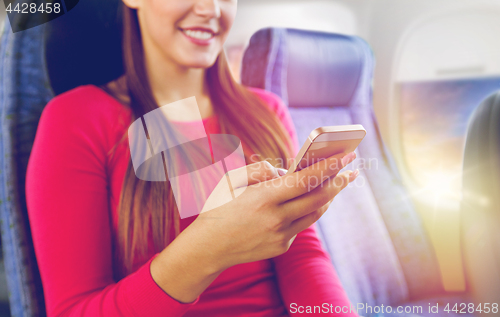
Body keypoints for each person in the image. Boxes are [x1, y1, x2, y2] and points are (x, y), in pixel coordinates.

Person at [26, 0, 360, 316]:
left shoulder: (266, 111)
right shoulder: (77, 119)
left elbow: (303, 258)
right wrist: (209, 248)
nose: (210, 9)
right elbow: (73, 310)